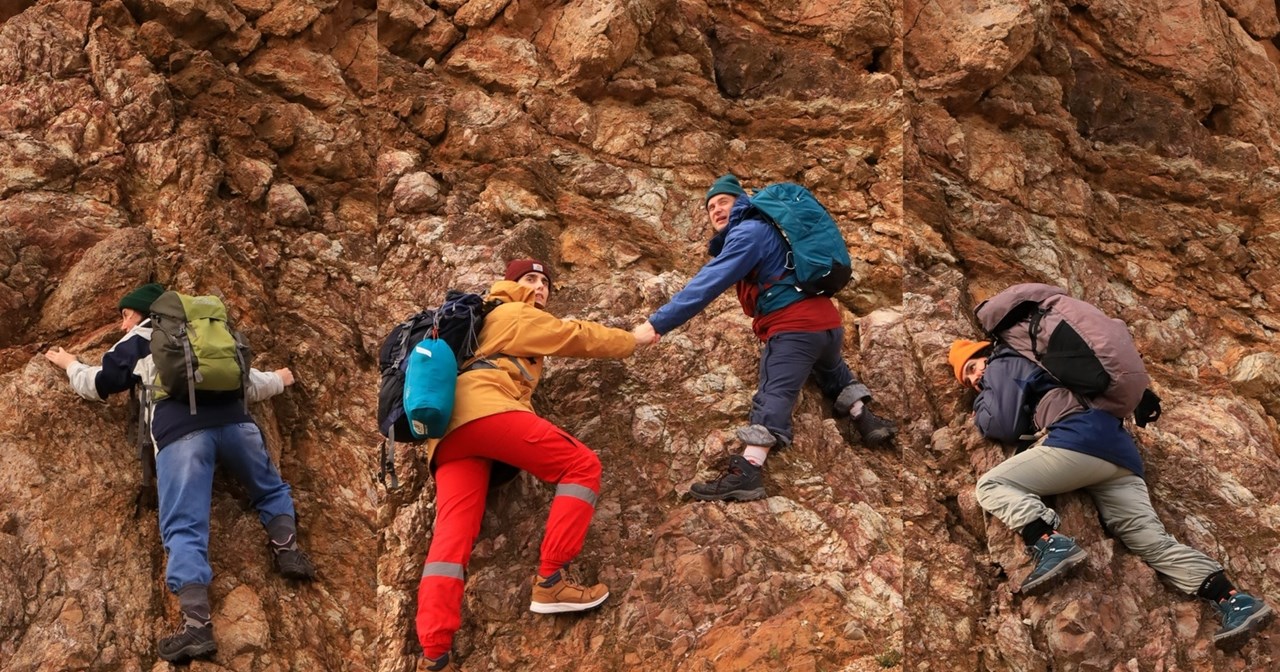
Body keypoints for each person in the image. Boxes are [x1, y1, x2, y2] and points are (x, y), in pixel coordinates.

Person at [44, 282, 315, 663]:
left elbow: (96, 384)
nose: (123, 325)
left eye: (125, 315)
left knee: (185, 527)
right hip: (239, 427)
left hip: (181, 437)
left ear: (141, 313)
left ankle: (197, 629)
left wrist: (69, 363)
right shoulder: (210, 335)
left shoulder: (141, 339)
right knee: (270, 489)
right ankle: (288, 553)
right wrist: (280, 380)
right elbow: (246, 383)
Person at [949, 338, 1273, 649]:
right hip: (1118, 454)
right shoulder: (1039, 364)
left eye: (974, 366)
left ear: (988, 353)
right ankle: (1234, 600)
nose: (975, 377)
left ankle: (1049, 543)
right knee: (1148, 540)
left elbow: (1002, 423)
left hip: (1077, 441)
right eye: (968, 378)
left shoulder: (1005, 362)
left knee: (992, 485)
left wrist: (982, 406)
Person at [415, 259, 646, 672]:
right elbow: (572, 335)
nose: (539, 287)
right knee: (581, 466)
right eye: (530, 279)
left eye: (544, 282)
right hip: (484, 411)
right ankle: (552, 581)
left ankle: (434, 655)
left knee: (450, 543)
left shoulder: (486, 322)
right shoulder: (511, 310)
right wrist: (632, 339)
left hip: (447, 436)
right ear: (510, 283)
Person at [631, 174, 896, 502]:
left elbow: (709, 282)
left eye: (723, 202)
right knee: (830, 369)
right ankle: (864, 417)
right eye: (710, 206)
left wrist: (657, 324)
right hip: (827, 326)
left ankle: (747, 471)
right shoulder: (770, 229)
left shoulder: (747, 232)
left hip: (795, 328)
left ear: (740, 200)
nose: (716, 210)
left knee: (775, 390)